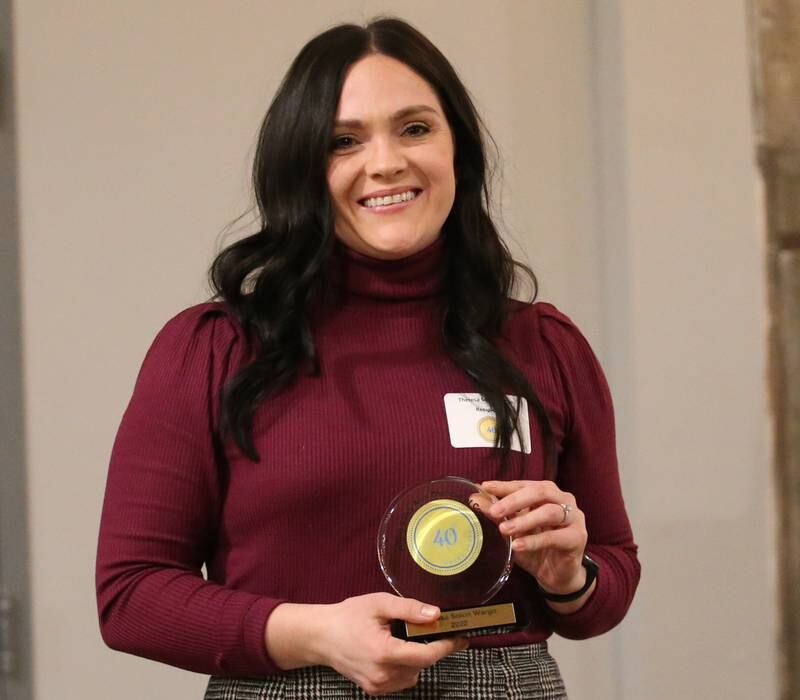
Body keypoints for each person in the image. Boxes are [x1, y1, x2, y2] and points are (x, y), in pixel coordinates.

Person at [95, 17, 639, 699]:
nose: (386, 163)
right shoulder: (214, 350)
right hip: (292, 686)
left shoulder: (545, 345)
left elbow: (607, 585)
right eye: (344, 141)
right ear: (303, 167)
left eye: (415, 128)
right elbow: (130, 595)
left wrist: (570, 576)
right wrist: (318, 635)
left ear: (458, 149)